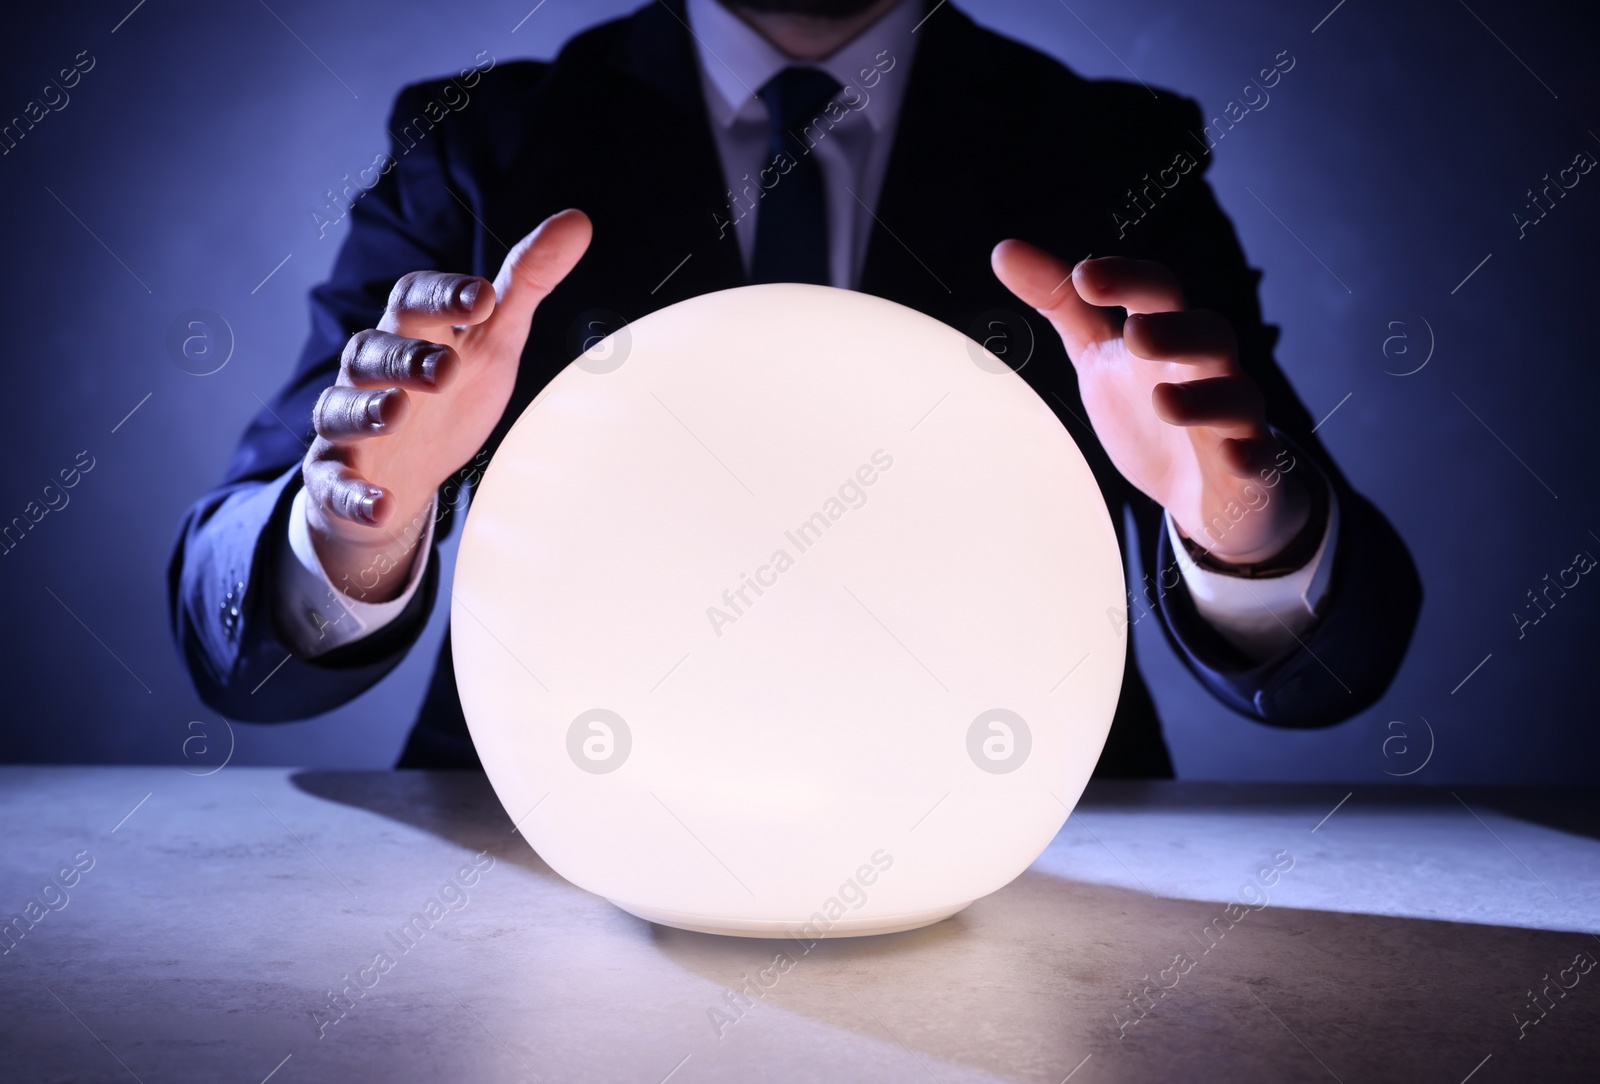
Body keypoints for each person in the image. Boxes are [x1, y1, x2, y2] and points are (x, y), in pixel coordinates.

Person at [169, 0, 1420, 777]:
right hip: (550, 847)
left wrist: (1245, 538)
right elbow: (247, 661)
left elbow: (1329, 666)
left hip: (1025, 849)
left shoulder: (1107, 153)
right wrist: (352, 528)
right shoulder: (484, 147)